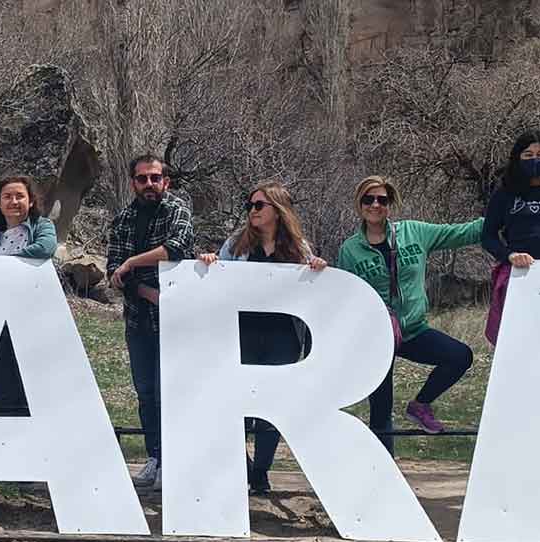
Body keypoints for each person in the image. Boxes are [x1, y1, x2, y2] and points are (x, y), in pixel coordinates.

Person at [336, 175, 483, 451]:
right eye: (369, 199)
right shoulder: (350, 250)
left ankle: (420, 404)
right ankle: (382, 473)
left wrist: (507, 214)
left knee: (460, 356)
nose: (376, 205)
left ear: (390, 204)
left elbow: (464, 232)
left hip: (414, 330)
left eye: (382, 199)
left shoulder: (414, 233)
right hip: (376, 337)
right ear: (360, 204)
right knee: (381, 408)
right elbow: (342, 296)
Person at [199, 181, 327, 494]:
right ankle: (240, 468)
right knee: (236, 405)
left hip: (282, 336)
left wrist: (317, 268)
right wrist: (211, 262)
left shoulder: (299, 249)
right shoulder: (237, 244)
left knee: (271, 406)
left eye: (259, 206)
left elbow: (312, 289)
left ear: (278, 210)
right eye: (250, 206)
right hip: (242, 335)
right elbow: (219, 278)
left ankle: (260, 473)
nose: (252, 211)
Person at [106, 154, 195, 490]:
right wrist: (143, 288)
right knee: (144, 392)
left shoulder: (177, 210)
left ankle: (175, 459)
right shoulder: (123, 219)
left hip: (174, 322)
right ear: (133, 183)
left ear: (165, 182)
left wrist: (132, 262)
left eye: (155, 178)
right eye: (142, 179)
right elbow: (112, 273)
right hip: (138, 322)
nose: (149, 185)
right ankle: (154, 456)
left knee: (168, 392)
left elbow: (176, 248)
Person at [0, 175, 57, 416]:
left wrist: (6, 263)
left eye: (20, 196)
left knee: (27, 375)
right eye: (7, 197)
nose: (14, 201)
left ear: (30, 201)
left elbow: (45, 248)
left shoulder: (42, 226)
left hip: (30, 312)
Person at [481, 130, 540, 344]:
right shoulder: (505, 192)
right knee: (519, 341)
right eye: (528, 155)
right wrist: (510, 255)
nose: (535, 160)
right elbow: (487, 236)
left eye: (539, 154)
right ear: (517, 158)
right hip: (521, 275)